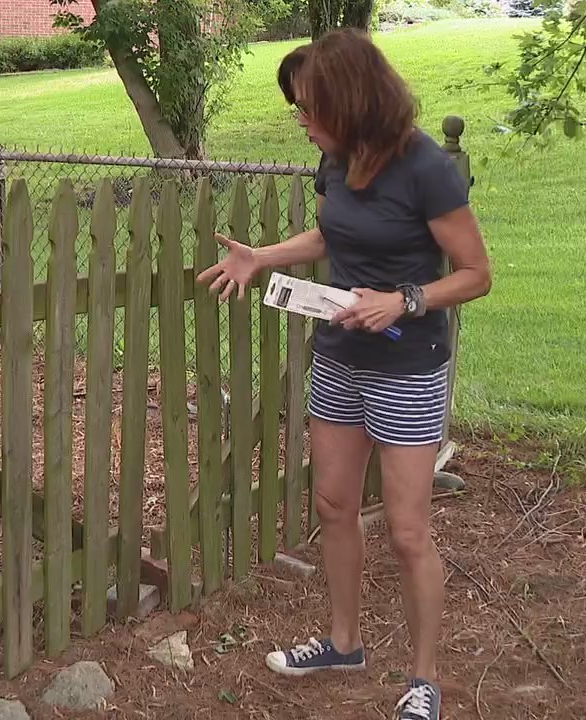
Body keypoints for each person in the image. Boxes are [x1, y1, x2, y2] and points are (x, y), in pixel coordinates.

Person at [195, 29, 492, 720]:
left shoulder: (426, 169)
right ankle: (344, 641)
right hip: (340, 359)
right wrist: (262, 256)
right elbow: (332, 236)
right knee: (332, 505)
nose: (300, 119)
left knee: (407, 528)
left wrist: (406, 298)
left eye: (309, 107)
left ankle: (425, 680)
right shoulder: (336, 160)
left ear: (353, 102)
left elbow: (478, 275)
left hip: (407, 367)